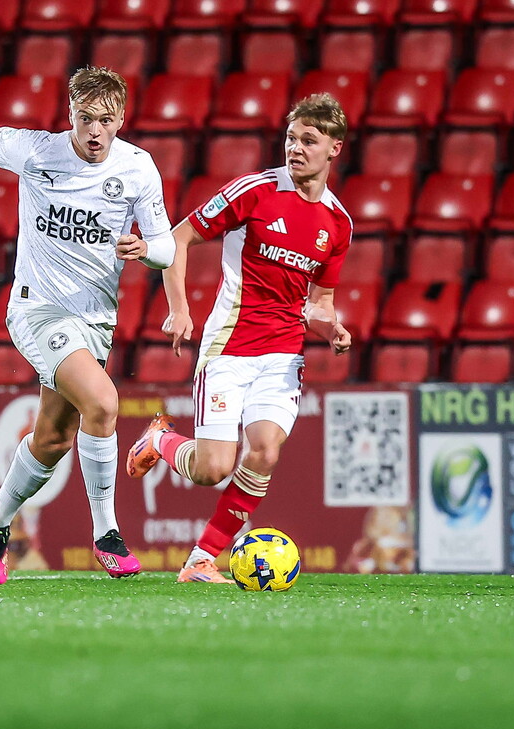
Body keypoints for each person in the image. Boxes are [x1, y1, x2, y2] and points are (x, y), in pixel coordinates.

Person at [0, 66, 174, 584]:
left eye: (105, 120)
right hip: (36, 310)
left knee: (54, 439)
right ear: (70, 116)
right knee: (105, 403)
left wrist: (147, 250)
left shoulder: (137, 169)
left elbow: (167, 245)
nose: (93, 131)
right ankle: (107, 532)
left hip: (94, 320)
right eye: (85, 118)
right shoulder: (38, 151)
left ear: (121, 119)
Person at [126, 93, 353, 584]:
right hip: (230, 347)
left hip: (283, 354)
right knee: (212, 469)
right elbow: (177, 238)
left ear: (334, 148)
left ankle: (200, 559)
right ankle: (159, 439)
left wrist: (329, 326)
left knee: (265, 451)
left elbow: (320, 301)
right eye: (291, 138)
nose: (295, 148)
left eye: (308, 141)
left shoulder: (338, 224)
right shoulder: (254, 191)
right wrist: (180, 309)